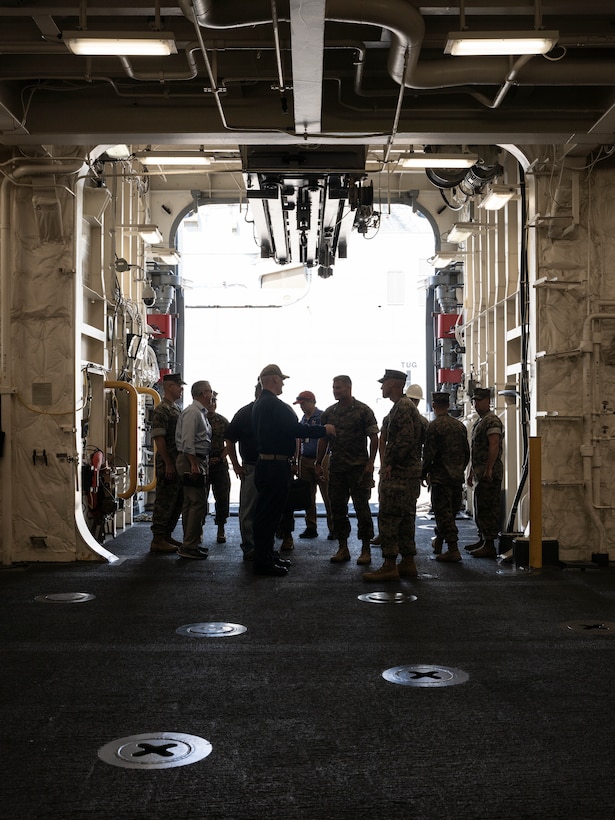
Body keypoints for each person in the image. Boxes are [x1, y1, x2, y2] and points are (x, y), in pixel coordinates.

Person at [252, 364, 335, 576]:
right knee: (269, 516)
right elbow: (295, 429)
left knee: (267, 514)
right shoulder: (275, 405)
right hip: (274, 466)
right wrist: (323, 430)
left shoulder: (260, 404)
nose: (282, 384)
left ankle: (266, 555)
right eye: (281, 380)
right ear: (273, 379)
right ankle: (263, 561)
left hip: (267, 465)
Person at [363, 370, 424, 582]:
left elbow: (405, 440)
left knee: (389, 518)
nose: (382, 387)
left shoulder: (403, 408)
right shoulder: (402, 407)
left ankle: (389, 565)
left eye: (384, 383)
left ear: (394, 384)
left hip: (400, 474)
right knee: (406, 519)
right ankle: (407, 562)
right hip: (407, 473)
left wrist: (390, 463)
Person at [318, 375, 378, 565]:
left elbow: (374, 438)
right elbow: (323, 440)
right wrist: (318, 463)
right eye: (334, 388)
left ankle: (366, 549)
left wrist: (370, 463)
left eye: (339, 388)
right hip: (337, 469)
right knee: (337, 509)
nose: (336, 391)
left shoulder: (363, 410)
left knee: (362, 509)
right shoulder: (328, 413)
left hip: (358, 469)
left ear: (349, 388)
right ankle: (342, 548)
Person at [371, 382, 427, 547]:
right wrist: (384, 463)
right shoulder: (395, 415)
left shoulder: (405, 413)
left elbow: (405, 442)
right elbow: (383, 439)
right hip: (400, 469)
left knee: (394, 511)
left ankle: (391, 548)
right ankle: (392, 542)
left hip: (400, 470)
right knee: (398, 509)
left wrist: (389, 463)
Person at [422, 391, 470, 563]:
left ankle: (453, 549)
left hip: (440, 478)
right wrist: (460, 470)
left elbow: (429, 453)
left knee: (443, 514)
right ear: (448, 406)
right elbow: (466, 453)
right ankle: (440, 542)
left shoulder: (434, 426)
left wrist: (423, 472)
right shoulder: (460, 426)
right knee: (450, 512)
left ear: (434, 406)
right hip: (456, 478)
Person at [175, 380, 213, 559]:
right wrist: (193, 464)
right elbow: (187, 441)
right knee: (196, 503)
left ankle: (191, 543)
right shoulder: (193, 413)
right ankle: (189, 546)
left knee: (192, 503)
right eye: (210, 391)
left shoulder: (199, 412)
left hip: (196, 459)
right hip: (192, 459)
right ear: (203, 393)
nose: (212, 395)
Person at [465, 387, 504, 559]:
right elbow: (477, 450)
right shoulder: (480, 422)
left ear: (488, 401)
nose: (476, 403)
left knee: (489, 508)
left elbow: (494, 445)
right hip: (481, 471)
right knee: (480, 507)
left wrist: (488, 469)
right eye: (474, 400)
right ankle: (483, 539)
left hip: (490, 473)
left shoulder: (492, 420)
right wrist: (472, 471)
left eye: (479, 400)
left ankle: (489, 544)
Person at [225, 383, 262, 560]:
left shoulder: (278, 411)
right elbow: (230, 440)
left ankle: (263, 546)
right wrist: (236, 465)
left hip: (271, 466)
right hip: (252, 466)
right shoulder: (245, 413)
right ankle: (250, 547)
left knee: (268, 508)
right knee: (248, 509)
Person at [150, 373, 186, 553]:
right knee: (165, 500)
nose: (181, 389)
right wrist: (168, 463)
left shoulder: (176, 409)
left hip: (176, 461)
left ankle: (166, 535)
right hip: (168, 462)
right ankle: (157, 539)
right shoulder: (162, 409)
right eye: (179, 386)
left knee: (176, 500)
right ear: (170, 387)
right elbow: (159, 437)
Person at [293, 390, 334, 540]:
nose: (301, 407)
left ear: (311, 402)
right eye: (300, 404)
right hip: (305, 459)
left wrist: (321, 461)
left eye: (303, 403)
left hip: (322, 459)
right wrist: (296, 461)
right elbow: (298, 440)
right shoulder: (303, 419)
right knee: (307, 495)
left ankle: (333, 527)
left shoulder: (322, 417)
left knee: (327, 493)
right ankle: (311, 526)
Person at [205, 393, 231, 545]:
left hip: (220, 463)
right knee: (201, 498)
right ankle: (199, 529)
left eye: (214, 401)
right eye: (210, 401)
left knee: (222, 497)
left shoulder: (222, 421)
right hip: (203, 462)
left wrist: (221, 457)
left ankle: (221, 528)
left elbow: (230, 443)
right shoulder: (198, 419)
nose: (212, 404)